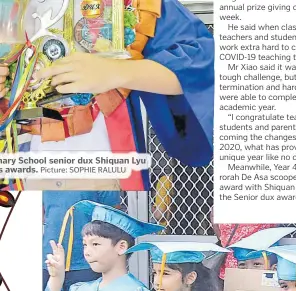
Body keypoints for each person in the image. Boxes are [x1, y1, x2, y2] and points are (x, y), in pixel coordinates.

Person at [22, 0, 214, 188]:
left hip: (106, 164)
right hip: (25, 161)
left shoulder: (136, 3)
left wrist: (118, 72)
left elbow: (203, 62)